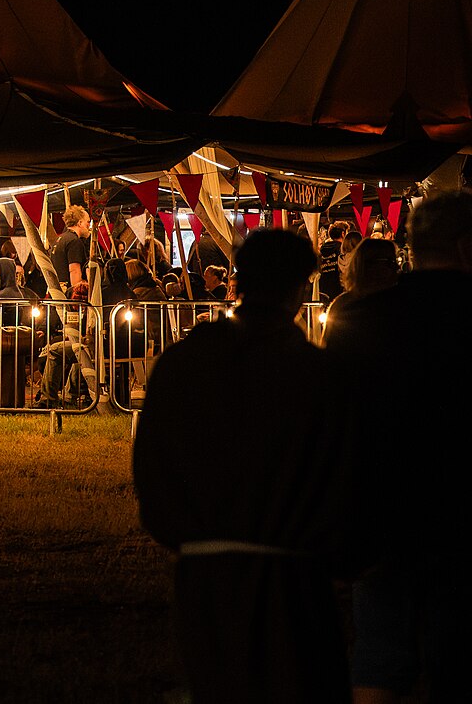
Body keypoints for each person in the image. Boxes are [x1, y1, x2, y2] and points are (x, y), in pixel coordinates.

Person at [132, 230, 355, 703]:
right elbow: (346, 473)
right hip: (293, 576)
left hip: (204, 568)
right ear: (300, 289)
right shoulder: (317, 374)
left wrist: (179, 531)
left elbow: (152, 462)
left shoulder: (181, 364)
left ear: (239, 281)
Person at [323, 190, 472, 703]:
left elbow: (335, 422)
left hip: (383, 510)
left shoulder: (364, 318)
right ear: (465, 245)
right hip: (460, 514)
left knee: (380, 655)